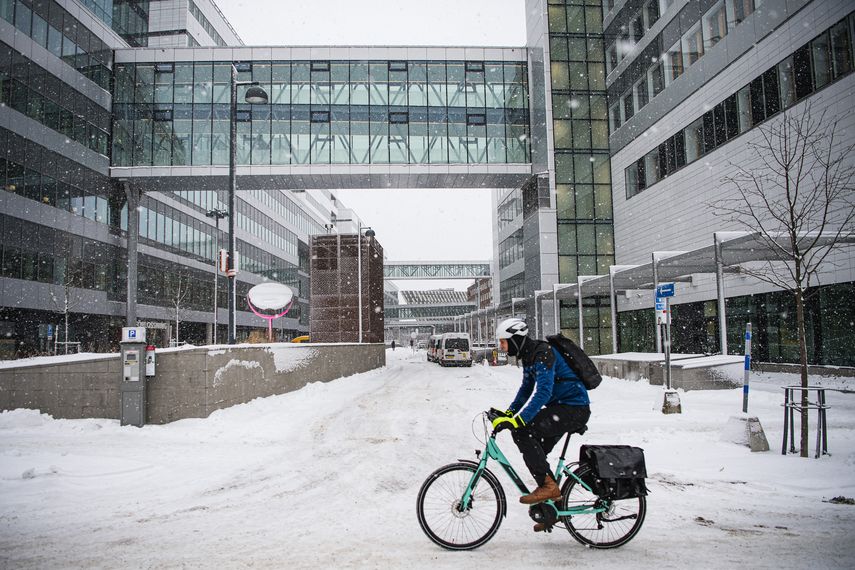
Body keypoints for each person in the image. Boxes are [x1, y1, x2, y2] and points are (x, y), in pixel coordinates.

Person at [490, 318, 590, 532]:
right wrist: (508, 413)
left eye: (504, 342)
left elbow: (543, 392)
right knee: (534, 452)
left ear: (516, 339)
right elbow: (526, 389)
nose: (502, 347)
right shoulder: (529, 356)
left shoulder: (543, 353)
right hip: (562, 408)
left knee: (524, 433)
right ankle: (552, 505)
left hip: (574, 408)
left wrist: (518, 420)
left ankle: (550, 488)